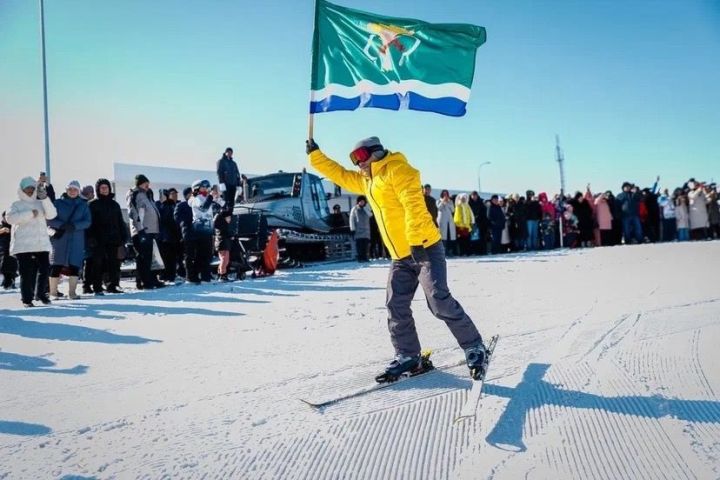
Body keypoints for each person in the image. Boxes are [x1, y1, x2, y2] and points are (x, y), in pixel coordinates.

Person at [306, 136, 488, 380]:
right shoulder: (367, 181)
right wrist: (315, 155)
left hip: (424, 248)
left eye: (360, 156)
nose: (357, 163)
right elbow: (338, 174)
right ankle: (408, 355)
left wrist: (414, 242)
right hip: (400, 256)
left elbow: (413, 206)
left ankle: (474, 346)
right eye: (354, 159)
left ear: (376, 153)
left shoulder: (399, 170)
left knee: (438, 300)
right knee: (396, 305)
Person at [6, 176, 58, 307]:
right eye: (27, 188)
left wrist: (45, 198)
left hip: (41, 243)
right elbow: (10, 219)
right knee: (26, 273)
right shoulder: (16, 204)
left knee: (45, 269)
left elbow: (52, 214)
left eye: (31, 188)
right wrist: (29, 214)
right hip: (24, 245)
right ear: (22, 189)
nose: (29, 190)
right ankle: (27, 299)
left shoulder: (41, 203)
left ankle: (40, 294)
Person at [46, 180, 91, 300]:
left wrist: (75, 226)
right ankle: (53, 293)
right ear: (66, 190)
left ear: (78, 191)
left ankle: (72, 292)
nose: (72, 192)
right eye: (70, 189)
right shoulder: (57, 203)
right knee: (56, 264)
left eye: (75, 189)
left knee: (74, 265)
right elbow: (49, 219)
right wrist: (61, 225)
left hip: (76, 239)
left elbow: (87, 222)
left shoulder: (83, 205)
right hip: (60, 239)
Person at [87, 179, 127, 295]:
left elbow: (120, 222)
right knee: (97, 263)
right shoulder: (92, 204)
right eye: (102, 188)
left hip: (114, 239)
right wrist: (90, 238)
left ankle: (113, 285)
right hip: (98, 240)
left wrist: (123, 236)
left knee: (114, 264)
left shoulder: (115, 204)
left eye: (106, 187)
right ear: (98, 190)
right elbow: (89, 223)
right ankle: (97, 287)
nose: (104, 190)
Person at [127, 174, 164, 290]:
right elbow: (133, 212)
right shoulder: (135, 193)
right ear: (139, 183)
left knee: (153, 257)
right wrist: (140, 229)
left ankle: (152, 279)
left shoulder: (147, 194)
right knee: (143, 257)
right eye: (145, 183)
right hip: (142, 231)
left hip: (152, 230)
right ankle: (143, 281)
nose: (148, 185)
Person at [188, 179, 215, 283]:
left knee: (207, 253)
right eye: (203, 187)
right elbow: (203, 208)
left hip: (207, 228)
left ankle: (205, 275)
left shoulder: (204, 197)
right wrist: (211, 197)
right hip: (200, 228)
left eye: (206, 187)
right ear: (197, 188)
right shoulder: (196, 198)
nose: (205, 189)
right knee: (203, 253)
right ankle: (200, 276)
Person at [157, 188, 182, 282]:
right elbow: (162, 219)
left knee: (172, 258)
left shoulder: (173, 205)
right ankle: (165, 275)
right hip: (163, 237)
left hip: (173, 236)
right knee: (165, 258)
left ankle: (171, 275)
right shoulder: (159, 205)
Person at [216, 147, 245, 211]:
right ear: (225, 152)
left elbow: (237, 174)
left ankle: (230, 215)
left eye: (231, 153)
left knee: (232, 201)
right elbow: (219, 172)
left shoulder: (233, 163)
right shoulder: (221, 161)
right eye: (228, 152)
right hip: (225, 184)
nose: (230, 154)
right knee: (225, 200)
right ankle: (224, 215)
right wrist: (221, 183)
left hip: (233, 184)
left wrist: (238, 184)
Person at [349, 195, 371, 262]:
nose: (362, 203)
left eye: (363, 201)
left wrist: (365, 208)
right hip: (358, 230)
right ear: (358, 202)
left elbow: (370, 215)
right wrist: (352, 229)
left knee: (365, 245)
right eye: (360, 201)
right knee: (359, 245)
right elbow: (351, 219)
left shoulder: (367, 208)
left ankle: (365, 257)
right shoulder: (354, 209)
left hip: (366, 230)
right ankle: (360, 258)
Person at [213, 210, 233, 281]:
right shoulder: (221, 225)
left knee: (225, 260)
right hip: (222, 243)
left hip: (224, 243)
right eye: (228, 217)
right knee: (224, 259)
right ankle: (222, 275)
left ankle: (220, 273)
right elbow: (223, 234)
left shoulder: (224, 225)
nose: (230, 219)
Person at [0, 211, 18, 289]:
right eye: (5, 217)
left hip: (12, 249)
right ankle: (7, 281)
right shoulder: (1, 227)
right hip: (2, 250)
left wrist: (11, 231)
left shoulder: (14, 226)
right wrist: (2, 231)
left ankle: (10, 281)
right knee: (3, 266)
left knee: (11, 266)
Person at [436, 189, 456, 256]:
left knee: (450, 236)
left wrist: (449, 203)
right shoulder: (438, 201)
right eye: (444, 194)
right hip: (442, 221)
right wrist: (443, 202)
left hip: (449, 221)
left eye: (446, 194)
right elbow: (439, 208)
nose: (445, 195)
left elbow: (453, 210)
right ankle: (443, 252)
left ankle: (450, 251)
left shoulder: (450, 201)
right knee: (443, 237)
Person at [468, 191, 487, 255]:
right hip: (472, 222)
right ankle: (474, 251)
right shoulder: (469, 203)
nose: (474, 197)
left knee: (481, 237)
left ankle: (481, 251)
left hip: (480, 222)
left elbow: (483, 212)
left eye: (475, 195)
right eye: (473, 195)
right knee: (473, 238)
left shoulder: (481, 202)